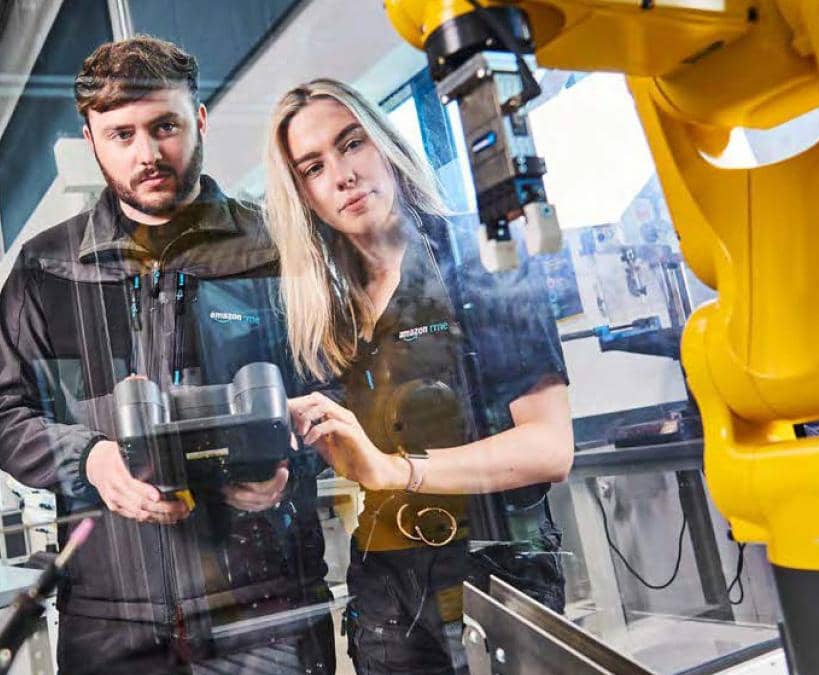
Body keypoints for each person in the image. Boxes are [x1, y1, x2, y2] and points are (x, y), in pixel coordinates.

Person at [0, 37, 333, 673]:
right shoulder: (45, 268)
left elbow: (339, 388)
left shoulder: (277, 246)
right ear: (91, 140)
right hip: (112, 625)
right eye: (120, 134)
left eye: (165, 126)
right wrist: (90, 458)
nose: (147, 154)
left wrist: (285, 458)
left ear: (199, 120)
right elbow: (3, 408)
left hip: (264, 615)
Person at [263, 78, 574, 674]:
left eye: (352, 144)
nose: (342, 175)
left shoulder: (480, 255)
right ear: (302, 195)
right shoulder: (316, 313)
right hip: (384, 593)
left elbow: (550, 447)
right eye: (313, 167)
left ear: (385, 145)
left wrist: (396, 470)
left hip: (498, 569)